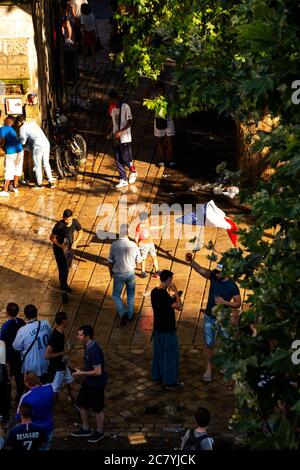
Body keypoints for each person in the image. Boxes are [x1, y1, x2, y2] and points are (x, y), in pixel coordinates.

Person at [185, 255, 241, 382]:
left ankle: (225, 365)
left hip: (223, 319)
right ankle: (209, 368)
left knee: (226, 343)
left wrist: (224, 302)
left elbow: (238, 303)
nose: (216, 275)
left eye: (219, 273)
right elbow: (200, 270)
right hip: (210, 317)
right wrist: (191, 261)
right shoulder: (213, 277)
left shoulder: (232, 285)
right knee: (209, 344)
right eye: (215, 272)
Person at [71, 325, 107, 443]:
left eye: (80, 335)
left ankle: (99, 431)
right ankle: (86, 428)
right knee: (81, 403)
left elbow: (98, 371)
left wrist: (81, 373)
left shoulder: (94, 350)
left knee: (97, 408)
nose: (78, 337)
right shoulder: (87, 345)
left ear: (87, 336)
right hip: (88, 381)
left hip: (96, 384)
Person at [150, 270, 183, 389]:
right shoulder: (164, 295)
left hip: (157, 329)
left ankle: (157, 376)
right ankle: (169, 381)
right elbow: (179, 307)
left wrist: (171, 297)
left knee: (158, 354)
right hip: (167, 330)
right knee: (170, 356)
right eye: (171, 280)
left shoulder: (154, 292)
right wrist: (176, 293)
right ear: (168, 279)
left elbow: (163, 304)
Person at [108, 223, 142, 326]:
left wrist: (111, 272)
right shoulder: (133, 245)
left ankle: (123, 312)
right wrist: (134, 265)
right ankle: (130, 315)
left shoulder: (114, 245)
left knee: (115, 295)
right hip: (131, 273)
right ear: (128, 233)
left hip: (118, 274)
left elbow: (110, 261)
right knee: (130, 294)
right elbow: (139, 260)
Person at [50, 209, 83, 302]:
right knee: (62, 268)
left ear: (71, 218)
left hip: (70, 247)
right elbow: (52, 237)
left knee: (67, 267)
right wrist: (61, 246)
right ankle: (63, 289)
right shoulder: (59, 226)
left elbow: (80, 232)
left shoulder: (75, 222)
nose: (66, 221)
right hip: (59, 249)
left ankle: (64, 284)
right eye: (65, 219)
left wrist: (76, 242)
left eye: (68, 219)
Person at [12, 305, 51, 383]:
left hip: (32, 368)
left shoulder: (22, 330)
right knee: (46, 387)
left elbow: (16, 347)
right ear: (36, 313)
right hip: (47, 362)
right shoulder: (46, 323)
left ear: (25, 316)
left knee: (32, 390)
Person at [16, 371, 54, 450]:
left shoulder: (26, 397)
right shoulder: (49, 388)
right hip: (49, 427)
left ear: (26, 382)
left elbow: (18, 416)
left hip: (34, 431)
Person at [107, 90, 137, 189]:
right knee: (117, 158)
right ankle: (123, 179)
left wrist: (121, 131)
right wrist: (108, 132)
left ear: (113, 98)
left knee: (126, 157)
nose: (109, 101)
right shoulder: (112, 108)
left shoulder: (125, 107)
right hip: (116, 137)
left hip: (124, 137)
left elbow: (130, 122)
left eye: (110, 99)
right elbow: (112, 121)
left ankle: (133, 171)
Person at [15, 115, 54, 189]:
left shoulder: (22, 128)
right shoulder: (33, 123)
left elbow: (23, 141)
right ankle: (51, 182)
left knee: (37, 165)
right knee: (46, 163)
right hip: (46, 143)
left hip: (38, 146)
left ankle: (39, 184)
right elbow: (32, 136)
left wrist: (19, 141)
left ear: (19, 122)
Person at [45, 311, 77, 403]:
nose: (68, 321)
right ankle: (48, 410)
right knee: (53, 392)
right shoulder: (55, 336)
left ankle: (79, 408)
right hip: (57, 369)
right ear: (63, 322)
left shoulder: (61, 332)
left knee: (71, 385)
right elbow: (47, 355)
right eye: (67, 320)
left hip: (63, 365)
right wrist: (64, 352)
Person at [146, 81, 176, 168]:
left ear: (163, 89)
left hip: (168, 119)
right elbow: (145, 98)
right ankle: (163, 160)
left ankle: (170, 160)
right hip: (159, 120)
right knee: (160, 141)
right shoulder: (156, 97)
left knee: (169, 141)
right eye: (158, 90)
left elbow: (173, 108)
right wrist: (150, 87)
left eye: (161, 89)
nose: (160, 91)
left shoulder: (169, 97)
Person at [0, 303, 25, 402]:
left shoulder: (5, 327)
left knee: (8, 379)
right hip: (19, 356)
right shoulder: (21, 322)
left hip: (9, 358)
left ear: (7, 312)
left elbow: (2, 344)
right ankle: (19, 396)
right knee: (19, 379)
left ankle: (8, 398)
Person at [0, 115, 24, 196]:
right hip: (20, 150)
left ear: (6, 120)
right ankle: (15, 187)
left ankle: (5, 190)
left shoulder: (3, 128)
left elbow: (2, 139)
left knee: (9, 169)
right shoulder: (12, 130)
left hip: (11, 152)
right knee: (17, 168)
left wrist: (1, 147)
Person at [135, 211, 161, 279]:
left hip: (150, 243)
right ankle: (143, 272)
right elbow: (136, 237)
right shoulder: (139, 227)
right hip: (143, 245)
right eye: (146, 219)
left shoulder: (147, 223)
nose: (147, 220)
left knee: (154, 256)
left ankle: (157, 270)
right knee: (143, 258)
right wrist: (137, 243)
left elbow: (150, 228)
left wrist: (159, 227)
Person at [80, 3, 97, 71]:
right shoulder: (91, 15)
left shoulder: (83, 17)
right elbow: (94, 25)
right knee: (93, 51)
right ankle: (94, 66)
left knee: (84, 50)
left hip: (86, 34)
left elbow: (83, 28)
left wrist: (81, 31)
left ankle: (84, 65)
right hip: (92, 33)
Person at [0, 340, 11, 426]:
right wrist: (8, 376)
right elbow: (5, 364)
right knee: (3, 399)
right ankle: (5, 419)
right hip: (1, 378)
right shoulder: (1, 343)